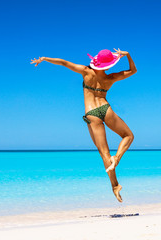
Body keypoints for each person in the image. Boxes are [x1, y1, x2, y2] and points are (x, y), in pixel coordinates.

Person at [30, 48, 137, 202]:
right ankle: (117, 158)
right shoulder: (111, 77)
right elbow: (133, 70)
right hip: (105, 108)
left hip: (91, 113)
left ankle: (115, 185)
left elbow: (64, 63)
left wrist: (45, 58)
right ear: (108, 66)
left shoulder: (86, 72)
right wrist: (128, 55)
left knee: (104, 153)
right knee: (128, 136)